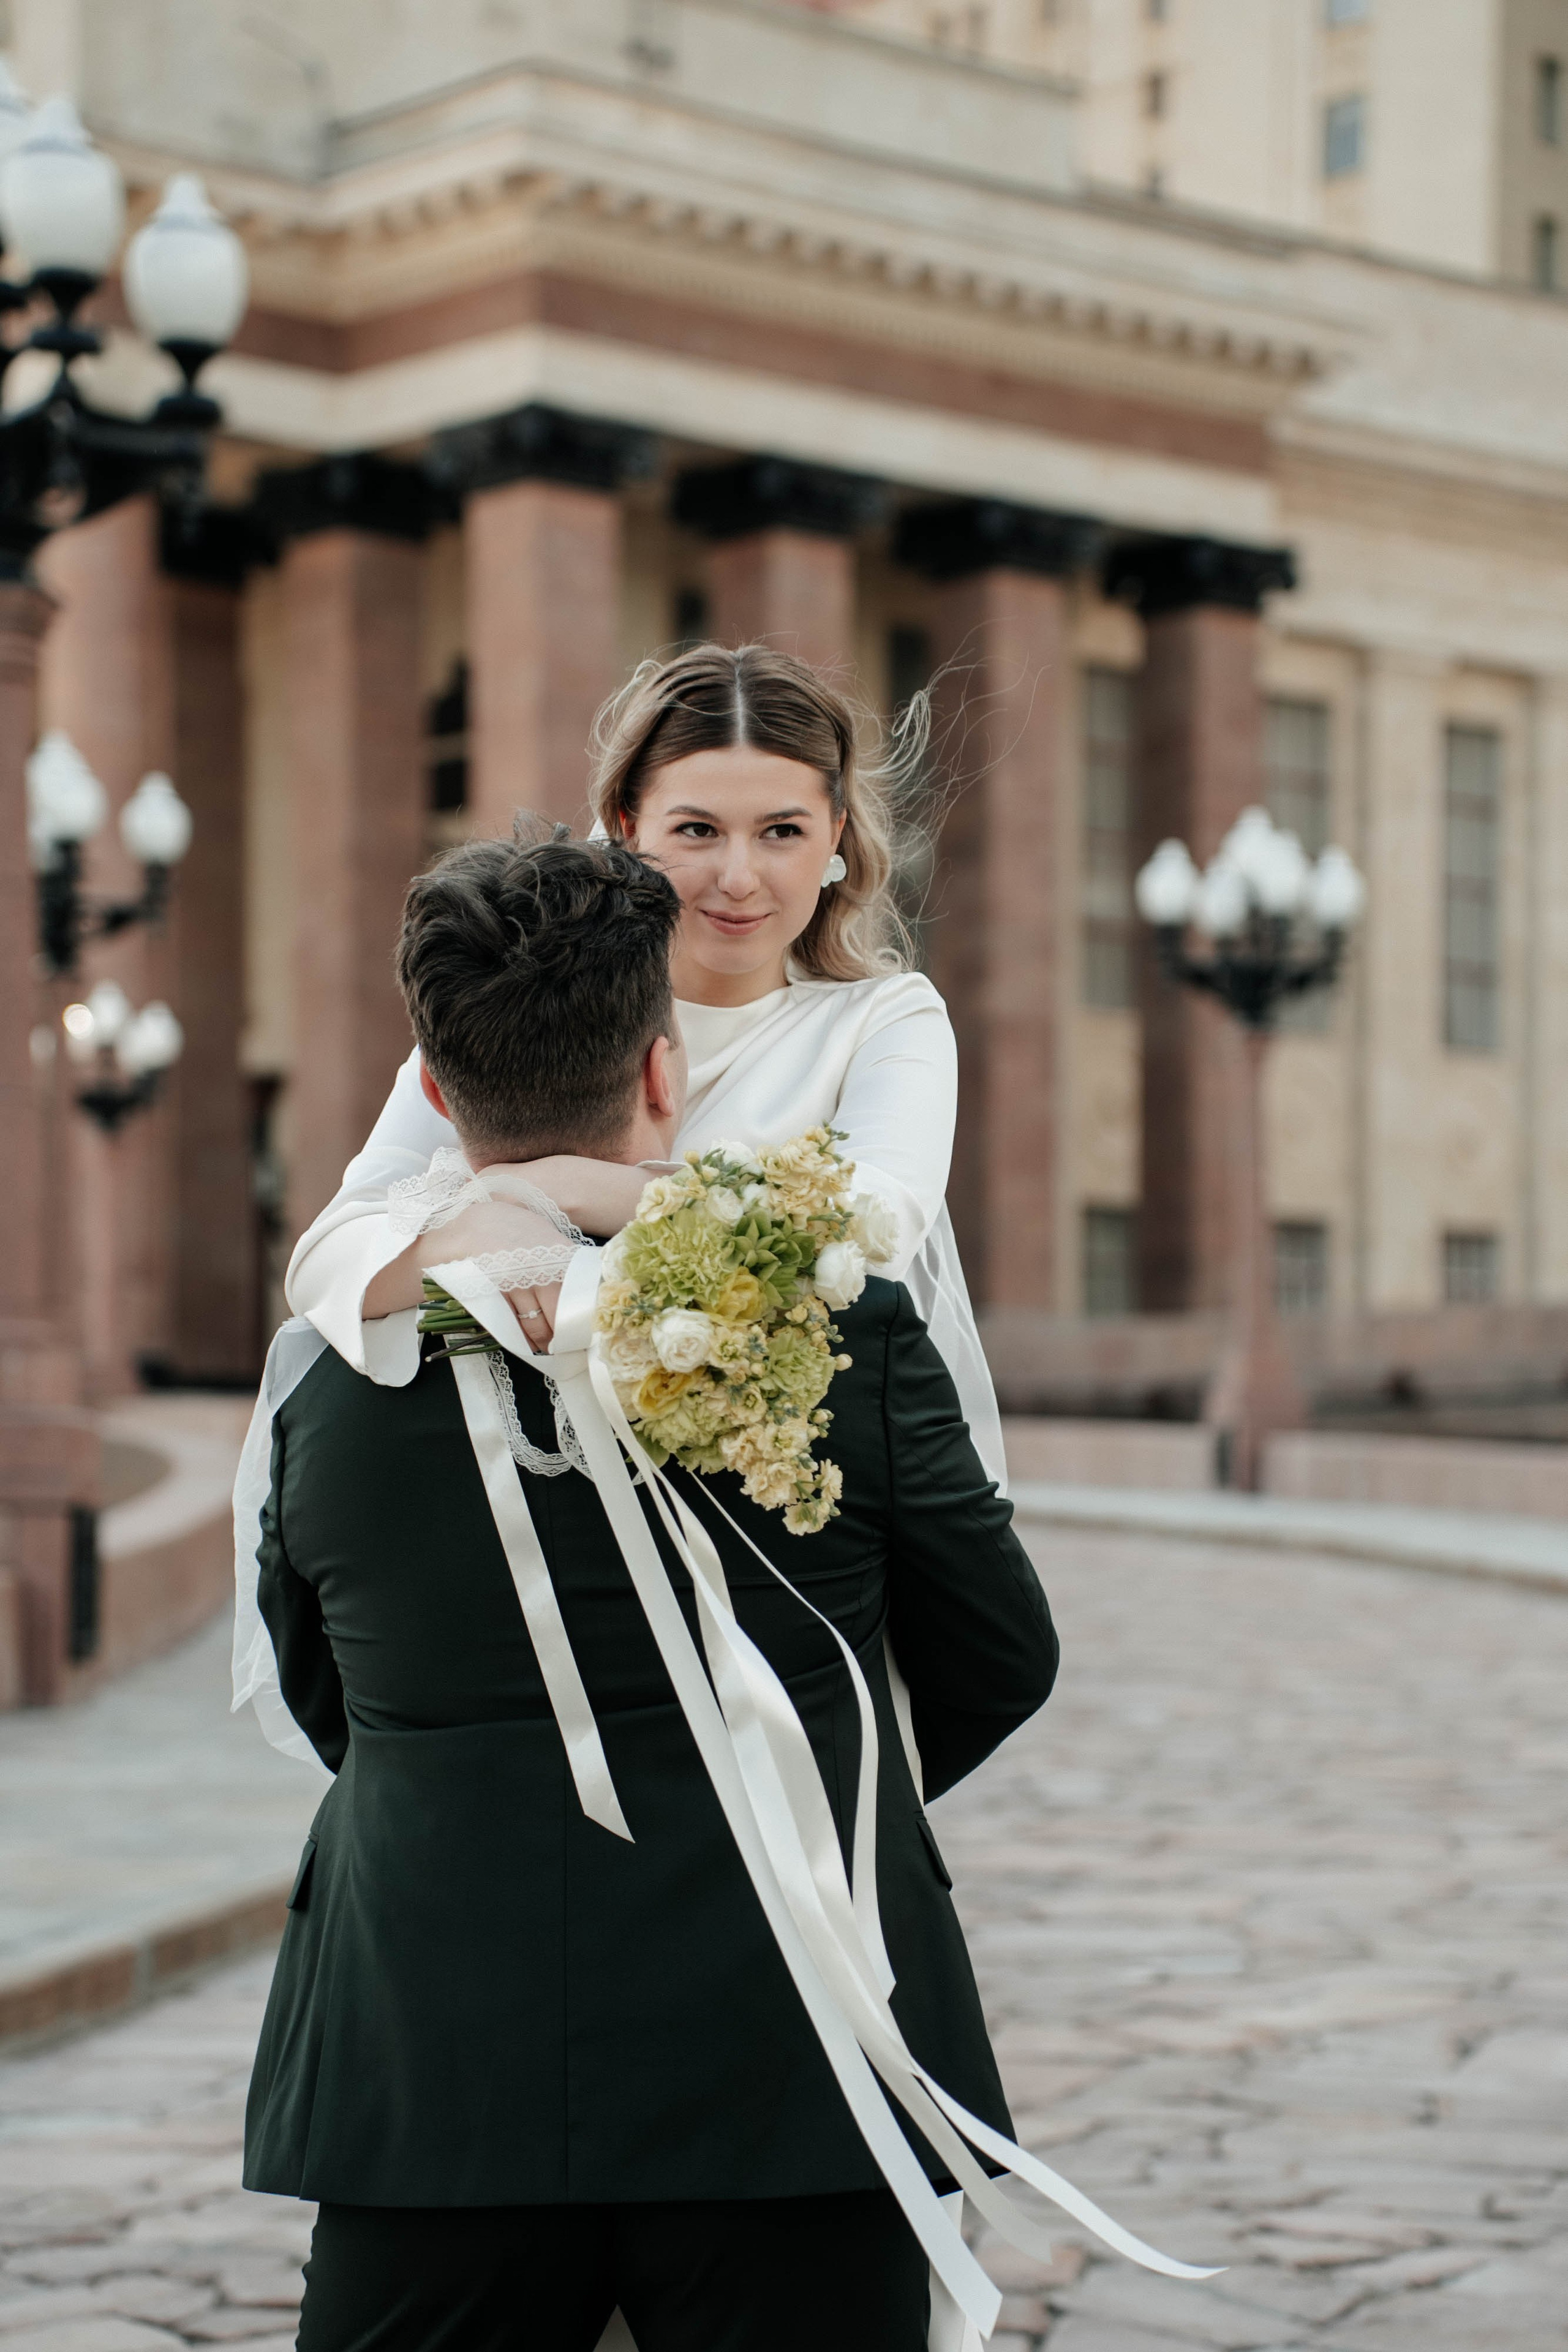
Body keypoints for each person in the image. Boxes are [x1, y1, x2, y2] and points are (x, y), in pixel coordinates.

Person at [246, 828, 1060, 2352]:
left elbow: (322, 1693)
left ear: (430, 1091)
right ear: (667, 1071)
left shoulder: (335, 1378)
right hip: (789, 2052)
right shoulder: (844, 1331)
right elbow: (998, 1652)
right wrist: (806, 1787)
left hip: (434, 2064)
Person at [284, 642, 1005, 1492]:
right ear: (627, 826)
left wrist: (551, 1188)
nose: (739, 878)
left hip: (785, 1508)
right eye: (697, 830)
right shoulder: (528, 999)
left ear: (837, 836)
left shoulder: (887, 1022)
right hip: (537, 1509)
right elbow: (328, 1259)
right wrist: (468, 1235)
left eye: (782, 832)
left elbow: (872, 1233)